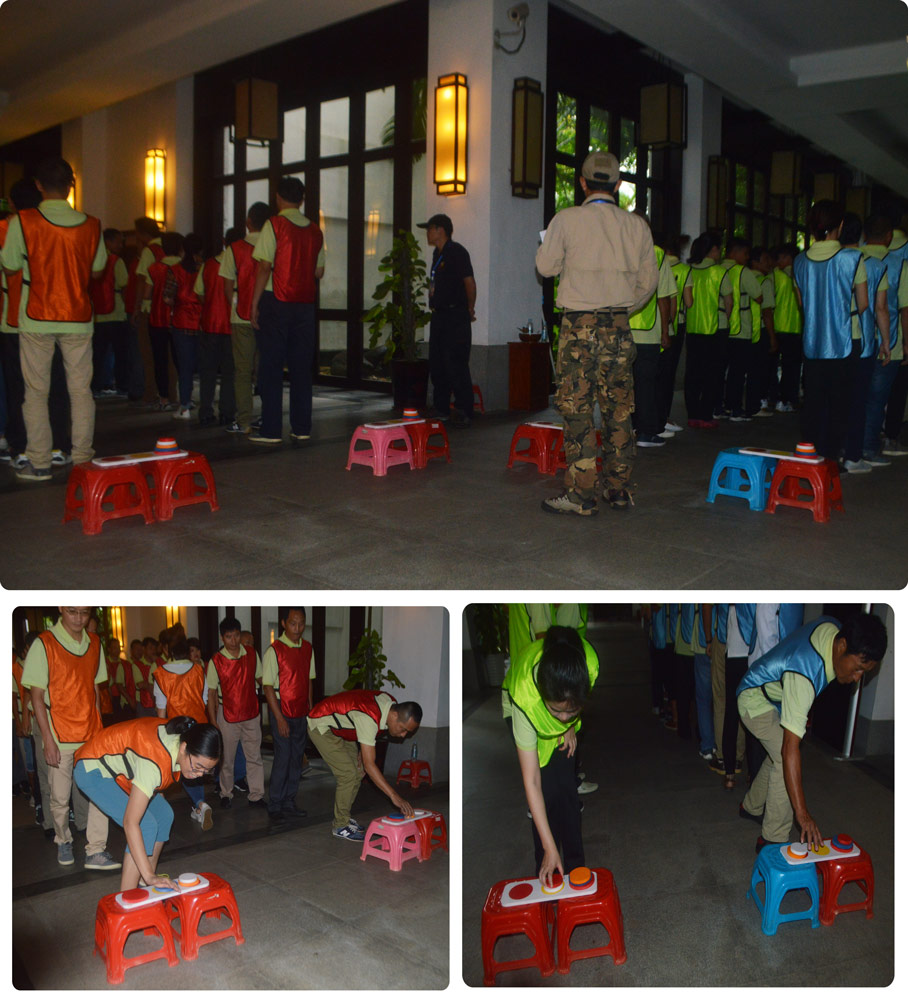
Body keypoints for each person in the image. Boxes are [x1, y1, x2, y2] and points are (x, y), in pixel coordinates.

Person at [536, 151, 658, 514]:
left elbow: (545, 267)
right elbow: (648, 283)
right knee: (618, 409)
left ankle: (581, 494)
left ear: (583, 183)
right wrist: (621, 310)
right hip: (617, 326)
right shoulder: (637, 226)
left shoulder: (567, 219)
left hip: (578, 326)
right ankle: (618, 489)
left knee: (577, 409)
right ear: (617, 185)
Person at [736, 613, 887, 852]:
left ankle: (751, 806)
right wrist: (803, 814)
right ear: (842, 646)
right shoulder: (803, 674)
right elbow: (790, 750)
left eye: (865, 672)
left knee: (778, 753)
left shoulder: (834, 628)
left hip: (774, 696)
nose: (858, 678)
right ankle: (772, 839)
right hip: (753, 698)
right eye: (858, 668)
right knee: (784, 757)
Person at [0, 158, 106, 481]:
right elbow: (97, 270)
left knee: (35, 392)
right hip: (78, 316)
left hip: (37, 316)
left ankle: (39, 462)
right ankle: (83, 457)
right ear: (71, 185)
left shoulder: (23, 221)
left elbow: (9, 266)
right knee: (80, 391)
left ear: (38, 185)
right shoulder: (92, 224)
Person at [20, 606, 119, 870]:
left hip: (91, 733)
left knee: (99, 792)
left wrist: (100, 731)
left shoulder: (94, 643)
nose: (79, 618)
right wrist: (48, 740)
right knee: (60, 797)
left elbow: (94, 690)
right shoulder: (44, 644)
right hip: (60, 734)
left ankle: (96, 849)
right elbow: (37, 697)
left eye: (84, 613)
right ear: (61, 608)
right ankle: (63, 839)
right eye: (73, 612)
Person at [74, 716, 221, 891]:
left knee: (164, 815)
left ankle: (145, 880)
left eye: (206, 770)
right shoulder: (153, 762)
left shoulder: (180, 739)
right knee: (145, 825)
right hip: (92, 769)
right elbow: (131, 822)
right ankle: (128, 897)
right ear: (184, 748)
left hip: (123, 770)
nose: (199, 774)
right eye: (198, 766)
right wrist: (150, 876)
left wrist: (149, 875)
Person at [501, 626, 598, 885]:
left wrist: (568, 726)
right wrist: (549, 846)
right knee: (546, 792)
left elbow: (569, 705)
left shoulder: (588, 666)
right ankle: (547, 869)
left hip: (560, 702)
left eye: (572, 712)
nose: (564, 717)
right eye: (557, 712)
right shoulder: (524, 697)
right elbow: (531, 780)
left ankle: (577, 872)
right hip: (524, 711)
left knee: (567, 790)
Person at [250, 177, 325, 444]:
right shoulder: (315, 231)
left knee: (271, 366)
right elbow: (319, 271)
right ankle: (301, 427)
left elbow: (264, 267)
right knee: (301, 368)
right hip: (305, 305)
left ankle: (271, 430)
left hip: (276, 301)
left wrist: (254, 303)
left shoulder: (274, 224)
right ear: (302, 200)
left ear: (278, 198)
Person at [792, 200, 868, 460]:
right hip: (845, 340)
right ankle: (831, 462)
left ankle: (810, 457)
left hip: (813, 342)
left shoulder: (799, 261)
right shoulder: (852, 258)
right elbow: (863, 303)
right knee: (840, 405)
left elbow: (802, 303)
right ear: (841, 225)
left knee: (814, 404)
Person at [306, 690, 422, 841]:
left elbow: (366, 725)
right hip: (322, 725)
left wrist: (364, 748)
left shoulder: (390, 704)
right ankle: (340, 825)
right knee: (348, 774)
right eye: (403, 729)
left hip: (344, 727)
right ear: (394, 716)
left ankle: (344, 817)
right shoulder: (369, 717)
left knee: (358, 771)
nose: (403, 735)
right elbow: (370, 764)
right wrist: (394, 796)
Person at [418, 212, 476, 428]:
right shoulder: (437, 254)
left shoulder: (456, 252)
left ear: (440, 230)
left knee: (456, 363)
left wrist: (470, 308)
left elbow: (469, 282)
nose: (427, 233)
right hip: (439, 315)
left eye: (429, 229)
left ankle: (464, 408)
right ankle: (441, 407)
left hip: (455, 315)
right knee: (438, 362)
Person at [206, 616, 267, 810]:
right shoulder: (216, 661)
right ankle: (226, 793)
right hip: (227, 715)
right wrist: (213, 720)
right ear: (222, 637)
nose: (233, 641)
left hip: (251, 713)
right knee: (227, 758)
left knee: (254, 756)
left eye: (236, 635)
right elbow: (211, 693)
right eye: (229, 637)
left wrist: (278, 689)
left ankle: (256, 795)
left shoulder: (251, 654)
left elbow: (261, 679)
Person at [153, 635, 213, 830]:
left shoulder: (161, 673)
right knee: (195, 768)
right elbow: (204, 701)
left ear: (169, 653)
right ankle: (201, 804)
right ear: (187, 652)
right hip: (198, 726)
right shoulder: (198, 670)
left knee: (173, 767)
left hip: (175, 729)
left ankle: (161, 807)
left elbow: (161, 710)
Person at [220, 203, 270, 434]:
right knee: (267, 368)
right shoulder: (275, 246)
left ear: (248, 222)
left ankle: (244, 421)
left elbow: (227, 286)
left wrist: (236, 304)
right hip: (269, 315)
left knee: (242, 370)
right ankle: (268, 417)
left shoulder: (235, 249)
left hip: (241, 316)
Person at [262, 606, 315, 822]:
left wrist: (310, 711)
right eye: (293, 623)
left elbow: (309, 681)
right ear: (284, 623)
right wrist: (279, 718)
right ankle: (275, 804)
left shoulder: (308, 648)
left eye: (301, 624)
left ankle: (289, 801)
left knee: (296, 758)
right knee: (283, 758)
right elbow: (267, 687)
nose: (297, 628)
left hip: (301, 711)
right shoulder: (274, 651)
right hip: (281, 710)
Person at [683, 232, 732, 429]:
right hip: (716, 328)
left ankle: (693, 414)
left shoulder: (689, 270)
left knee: (693, 373)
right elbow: (729, 301)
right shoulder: (719, 272)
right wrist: (727, 318)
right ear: (713, 250)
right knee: (713, 373)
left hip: (693, 328)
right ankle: (705, 415)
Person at [195, 226, 241, 427]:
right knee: (230, 372)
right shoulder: (241, 265)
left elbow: (199, 292)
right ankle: (227, 412)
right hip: (233, 325)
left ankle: (205, 411)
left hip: (210, 324)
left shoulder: (208, 265)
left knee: (208, 372)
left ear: (224, 241)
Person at [142, 231, 183, 411]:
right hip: (180, 319)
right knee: (181, 359)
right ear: (180, 248)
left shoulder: (154, 268)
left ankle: (164, 399)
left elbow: (146, 294)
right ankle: (183, 397)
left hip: (157, 318)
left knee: (160, 360)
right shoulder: (184, 268)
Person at [89, 228, 129, 398]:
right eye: (118, 242)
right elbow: (124, 284)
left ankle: (95, 387)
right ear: (108, 241)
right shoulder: (116, 261)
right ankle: (122, 387)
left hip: (97, 315)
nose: (121, 245)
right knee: (121, 353)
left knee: (97, 354)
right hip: (117, 313)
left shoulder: (91, 260)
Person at [169, 233, 204, 420]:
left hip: (181, 321)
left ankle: (185, 405)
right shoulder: (205, 269)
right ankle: (205, 404)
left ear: (183, 249)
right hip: (202, 322)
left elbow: (167, 297)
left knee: (184, 366)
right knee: (204, 366)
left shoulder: (175, 270)